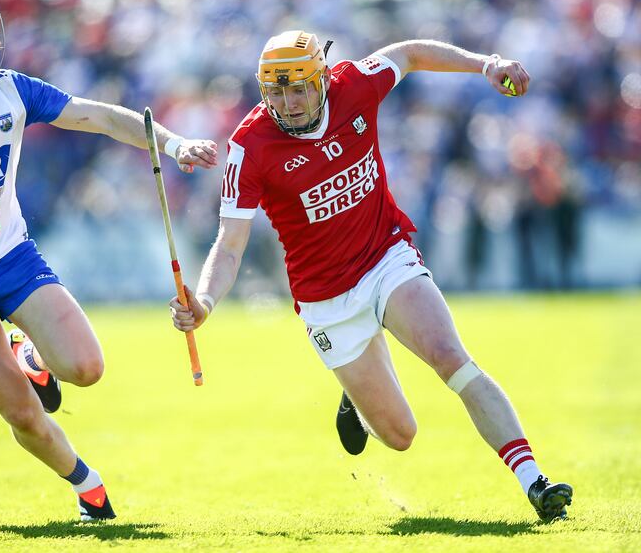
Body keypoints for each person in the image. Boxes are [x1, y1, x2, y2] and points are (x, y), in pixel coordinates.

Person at [170, 30, 573, 522]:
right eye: (276, 92)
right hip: (326, 300)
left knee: (451, 357)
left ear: (323, 79)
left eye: (300, 88)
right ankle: (356, 401)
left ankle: (535, 482)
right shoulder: (249, 147)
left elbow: (411, 53)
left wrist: (487, 64)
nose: (289, 103)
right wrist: (205, 302)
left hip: (386, 258)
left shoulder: (355, 84)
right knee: (400, 435)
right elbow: (229, 245)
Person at [0, 0, 218, 521]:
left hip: (9, 256)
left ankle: (29, 354)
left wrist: (173, 145)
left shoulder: (13, 89)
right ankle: (86, 485)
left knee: (86, 368)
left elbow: (98, 116)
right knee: (23, 415)